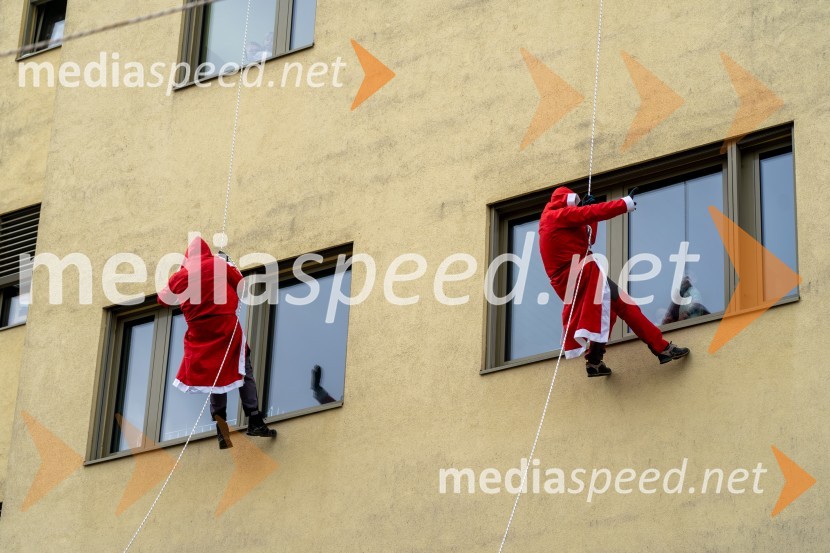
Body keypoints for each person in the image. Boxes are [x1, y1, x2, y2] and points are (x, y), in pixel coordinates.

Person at [538, 186, 690, 377]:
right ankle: (661, 348)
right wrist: (624, 203)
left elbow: (589, 237)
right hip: (578, 275)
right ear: (565, 201)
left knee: (612, 310)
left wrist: (588, 214)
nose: (576, 207)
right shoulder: (556, 216)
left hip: (573, 278)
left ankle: (595, 361)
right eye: (574, 203)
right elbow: (594, 212)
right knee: (625, 306)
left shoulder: (557, 220)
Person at [158, 237, 277, 449]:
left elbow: (163, 300)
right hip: (224, 326)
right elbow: (241, 286)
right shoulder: (218, 264)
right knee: (244, 369)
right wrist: (228, 264)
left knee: (215, 377)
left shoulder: (179, 276)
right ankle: (255, 419)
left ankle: (221, 429)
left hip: (199, 332)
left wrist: (181, 279)